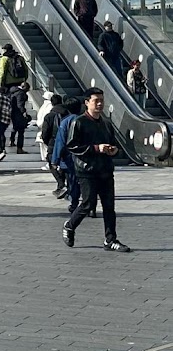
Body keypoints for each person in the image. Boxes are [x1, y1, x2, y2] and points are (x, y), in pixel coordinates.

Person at [62, 88, 130, 252]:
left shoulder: (106, 123)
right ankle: (70, 226)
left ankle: (110, 240)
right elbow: (72, 146)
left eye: (101, 100)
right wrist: (96, 148)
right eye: (95, 100)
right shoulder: (78, 122)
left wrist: (113, 150)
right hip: (87, 171)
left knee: (109, 206)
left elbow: (114, 143)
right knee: (87, 204)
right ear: (87, 102)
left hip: (105, 169)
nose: (99, 103)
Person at [38, 94, 70, 197]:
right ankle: (62, 186)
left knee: (52, 163)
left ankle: (61, 184)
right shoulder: (68, 114)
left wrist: (47, 141)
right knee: (64, 165)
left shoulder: (50, 116)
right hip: (68, 142)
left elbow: (45, 131)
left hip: (54, 142)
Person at [6, 82, 31, 153]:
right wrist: (24, 112)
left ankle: (11, 140)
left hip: (12, 112)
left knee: (15, 127)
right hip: (18, 114)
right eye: (27, 89)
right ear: (24, 87)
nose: (27, 91)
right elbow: (20, 104)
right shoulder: (21, 93)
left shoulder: (13, 91)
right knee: (21, 131)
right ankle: (19, 148)